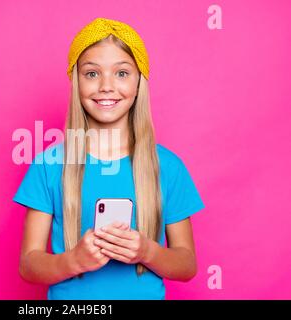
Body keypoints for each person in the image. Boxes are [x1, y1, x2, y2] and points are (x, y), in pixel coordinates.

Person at [13, 17, 205, 300]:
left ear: (139, 82)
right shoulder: (48, 165)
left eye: (122, 73)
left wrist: (146, 251)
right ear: (76, 81)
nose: (106, 86)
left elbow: (187, 265)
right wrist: (73, 261)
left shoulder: (168, 167)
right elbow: (29, 265)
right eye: (91, 73)